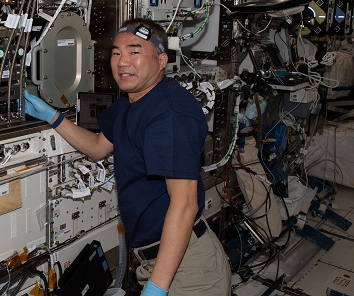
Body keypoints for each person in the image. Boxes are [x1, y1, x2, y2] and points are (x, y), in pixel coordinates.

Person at [24, 19, 231, 296]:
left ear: (161, 60)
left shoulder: (168, 115)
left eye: (135, 52)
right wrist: (52, 116)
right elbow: (98, 146)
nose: (123, 62)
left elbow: (185, 205)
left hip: (188, 269)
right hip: (157, 258)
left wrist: (157, 289)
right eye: (116, 53)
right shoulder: (131, 104)